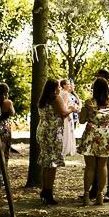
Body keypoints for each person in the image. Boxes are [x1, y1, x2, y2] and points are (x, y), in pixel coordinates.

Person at [37, 77, 78, 205]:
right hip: (53, 132)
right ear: (55, 88)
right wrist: (72, 109)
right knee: (53, 162)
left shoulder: (42, 100)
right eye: (59, 87)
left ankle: (44, 189)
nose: (60, 89)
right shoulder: (55, 98)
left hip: (42, 130)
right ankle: (49, 191)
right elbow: (62, 112)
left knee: (46, 160)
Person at [78, 78, 109, 206]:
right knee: (103, 166)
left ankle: (87, 195)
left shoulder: (89, 103)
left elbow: (82, 120)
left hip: (91, 135)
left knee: (89, 167)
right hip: (105, 135)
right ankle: (100, 194)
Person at [88, 69, 109, 203]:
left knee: (108, 162)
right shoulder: (94, 97)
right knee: (96, 163)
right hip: (98, 133)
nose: (96, 81)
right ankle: (95, 190)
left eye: (99, 78)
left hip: (107, 131)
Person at [0, 83, 15, 188]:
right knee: (4, 152)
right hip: (4, 127)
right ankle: (3, 176)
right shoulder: (7, 102)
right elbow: (12, 113)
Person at [60, 79, 77, 157]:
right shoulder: (65, 94)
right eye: (68, 84)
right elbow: (64, 105)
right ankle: (66, 148)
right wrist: (68, 115)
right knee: (67, 130)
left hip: (66, 113)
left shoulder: (60, 93)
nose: (69, 85)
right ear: (64, 85)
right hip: (68, 113)